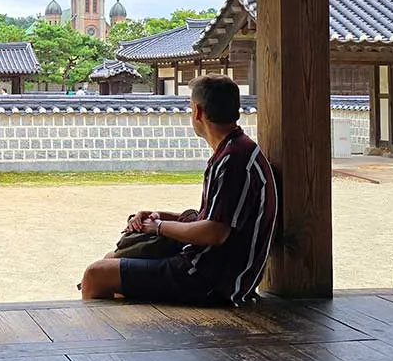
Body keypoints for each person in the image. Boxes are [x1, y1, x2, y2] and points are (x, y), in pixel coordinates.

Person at [79, 74, 277, 306]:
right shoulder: (236, 149)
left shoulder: (234, 160)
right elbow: (212, 218)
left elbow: (214, 232)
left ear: (198, 112)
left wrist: (159, 227)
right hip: (210, 266)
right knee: (112, 259)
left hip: (211, 280)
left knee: (95, 275)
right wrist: (160, 216)